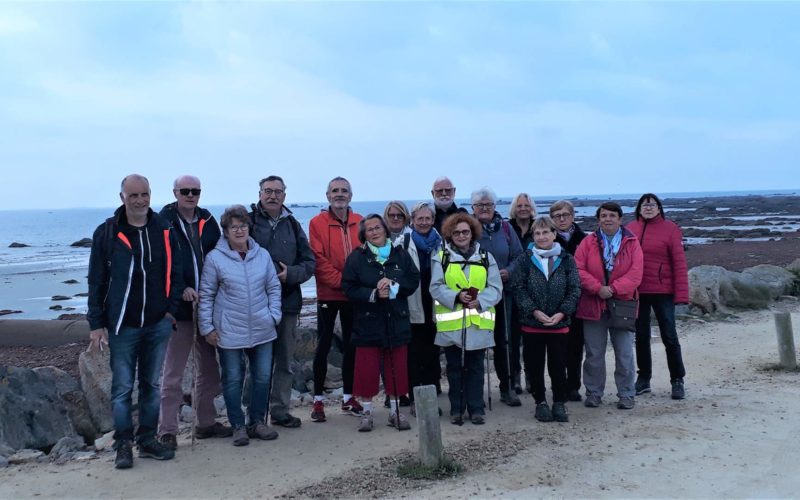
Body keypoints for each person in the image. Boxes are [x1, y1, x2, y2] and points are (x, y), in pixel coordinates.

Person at [87, 174, 184, 469]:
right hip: (122, 326)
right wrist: (96, 324)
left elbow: (177, 272)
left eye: (144, 194)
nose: (140, 200)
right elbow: (96, 280)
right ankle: (123, 445)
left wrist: (170, 311)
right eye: (133, 195)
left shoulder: (164, 229)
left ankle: (147, 440)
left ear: (150, 195)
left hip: (157, 323)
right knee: (122, 388)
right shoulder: (107, 232)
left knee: (151, 385)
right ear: (122, 198)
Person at [198, 205, 283, 446]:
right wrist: (207, 328)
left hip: (263, 327)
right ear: (225, 231)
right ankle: (238, 425)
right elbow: (206, 294)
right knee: (233, 379)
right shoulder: (215, 258)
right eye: (233, 227)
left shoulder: (262, 255)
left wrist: (274, 316)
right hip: (229, 330)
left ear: (249, 228)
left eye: (243, 225)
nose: (239, 230)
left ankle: (257, 422)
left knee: (262, 377)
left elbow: (273, 287)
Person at [158, 175, 229, 450]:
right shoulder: (163, 222)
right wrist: (180, 289)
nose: (190, 195)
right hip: (179, 310)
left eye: (195, 191)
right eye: (185, 191)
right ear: (175, 192)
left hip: (207, 307)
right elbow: (161, 263)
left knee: (209, 370)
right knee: (173, 373)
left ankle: (205, 422)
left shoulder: (208, 221)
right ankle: (167, 431)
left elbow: (219, 256)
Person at [342, 214, 420, 431]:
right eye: (370, 229)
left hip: (397, 320)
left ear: (385, 229)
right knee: (366, 370)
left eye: (378, 227)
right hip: (367, 322)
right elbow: (348, 287)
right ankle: (367, 413)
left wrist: (394, 286)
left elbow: (413, 279)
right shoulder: (356, 257)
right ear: (364, 235)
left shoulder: (400, 254)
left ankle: (395, 412)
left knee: (397, 369)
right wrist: (374, 293)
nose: (375, 232)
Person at [250, 176, 316, 428]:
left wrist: (291, 274)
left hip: (287, 302)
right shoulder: (248, 222)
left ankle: (280, 410)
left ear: (284, 196)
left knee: (285, 361)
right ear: (260, 193)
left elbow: (309, 262)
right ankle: (253, 415)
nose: (273, 196)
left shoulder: (293, 225)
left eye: (278, 192)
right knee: (255, 362)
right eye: (268, 191)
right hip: (255, 304)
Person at [430, 212, 503, 425]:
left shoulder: (486, 258)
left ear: (472, 233)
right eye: (456, 233)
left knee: (476, 368)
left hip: (478, 323)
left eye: (465, 232)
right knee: (454, 369)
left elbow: (495, 287)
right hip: (452, 326)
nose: (461, 236)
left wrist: (481, 301)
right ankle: (457, 409)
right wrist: (456, 296)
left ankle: (476, 408)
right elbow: (435, 287)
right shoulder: (441, 257)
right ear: (450, 235)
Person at [509, 216, 581, 423]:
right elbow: (518, 288)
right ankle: (540, 402)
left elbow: (575, 288)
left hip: (559, 324)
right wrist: (534, 311)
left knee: (558, 365)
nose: (541, 237)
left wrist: (563, 312)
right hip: (532, 324)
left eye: (545, 232)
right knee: (535, 366)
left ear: (554, 234)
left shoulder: (567, 259)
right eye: (537, 233)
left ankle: (559, 402)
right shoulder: (524, 259)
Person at [575, 202, 643, 410]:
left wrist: (613, 289)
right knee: (594, 353)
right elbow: (578, 269)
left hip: (622, 304)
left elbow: (636, 273)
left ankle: (626, 393)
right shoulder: (588, 242)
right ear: (598, 220)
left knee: (624, 353)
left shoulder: (632, 242)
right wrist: (598, 288)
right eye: (603, 215)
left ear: (620, 219)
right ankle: (594, 393)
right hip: (593, 303)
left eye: (612, 215)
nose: (608, 219)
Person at [308, 177, 364, 422]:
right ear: (328, 195)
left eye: (344, 191)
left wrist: (355, 286)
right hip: (328, 294)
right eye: (335, 191)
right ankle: (318, 400)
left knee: (352, 346)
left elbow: (367, 256)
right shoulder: (316, 223)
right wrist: (345, 282)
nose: (339, 194)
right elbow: (318, 260)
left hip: (353, 297)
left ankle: (348, 397)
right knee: (323, 346)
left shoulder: (360, 221)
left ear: (350, 195)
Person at [626, 193, 689, 400]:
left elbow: (679, 263)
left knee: (669, 336)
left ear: (659, 208)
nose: (648, 207)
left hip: (663, 292)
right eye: (644, 204)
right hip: (638, 291)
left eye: (652, 204)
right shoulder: (630, 228)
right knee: (641, 336)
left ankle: (677, 380)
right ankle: (643, 378)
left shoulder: (670, 229)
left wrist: (681, 295)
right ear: (639, 208)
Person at [471, 187, 524, 406]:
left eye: (488, 204)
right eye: (480, 205)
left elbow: (519, 256)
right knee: (477, 342)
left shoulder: (506, 228)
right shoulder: (467, 228)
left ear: (494, 206)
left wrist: (509, 271)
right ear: (473, 207)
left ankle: (507, 387)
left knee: (504, 342)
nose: (484, 208)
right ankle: (474, 393)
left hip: (503, 294)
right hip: (477, 295)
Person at [550, 200, 588, 402]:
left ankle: (574, 385)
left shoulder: (584, 239)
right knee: (557, 346)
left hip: (578, 298)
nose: (562, 219)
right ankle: (559, 385)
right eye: (557, 216)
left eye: (565, 215)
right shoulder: (548, 239)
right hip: (554, 299)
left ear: (572, 216)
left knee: (575, 344)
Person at [408, 202, 444, 408]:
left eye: (427, 218)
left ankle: (432, 395)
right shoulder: (404, 243)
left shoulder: (442, 244)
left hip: (435, 305)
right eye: (419, 219)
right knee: (414, 354)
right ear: (412, 220)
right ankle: (416, 398)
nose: (423, 222)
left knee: (432, 352)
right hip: (413, 305)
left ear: (433, 220)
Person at [382, 201, 417, 408]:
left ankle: (409, 391)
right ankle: (392, 393)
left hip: (411, 299)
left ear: (406, 218)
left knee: (409, 352)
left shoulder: (413, 238)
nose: (395, 218)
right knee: (389, 351)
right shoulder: (379, 240)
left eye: (400, 215)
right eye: (391, 215)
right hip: (388, 304)